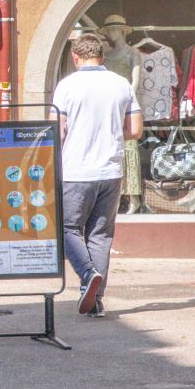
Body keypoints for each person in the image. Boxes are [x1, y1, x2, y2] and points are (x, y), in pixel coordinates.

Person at [52, 32, 142, 317]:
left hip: (76, 170)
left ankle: (87, 273)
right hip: (110, 170)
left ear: (75, 57)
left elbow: (59, 131)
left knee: (66, 229)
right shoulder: (121, 84)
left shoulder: (67, 86)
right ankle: (96, 301)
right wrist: (113, 135)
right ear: (102, 57)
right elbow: (136, 130)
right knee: (100, 234)